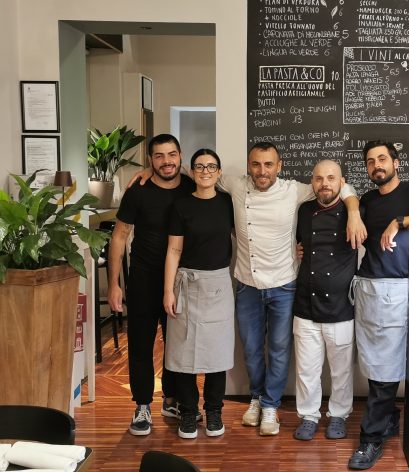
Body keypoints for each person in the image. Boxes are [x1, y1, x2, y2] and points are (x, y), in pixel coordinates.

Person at [131, 141, 365, 436]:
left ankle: (271, 405)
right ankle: (255, 398)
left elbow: (337, 185)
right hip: (247, 284)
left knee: (279, 350)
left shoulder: (295, 190)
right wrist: (149, 170)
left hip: (284, 285)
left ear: (279, 167)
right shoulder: (235, 185)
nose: (262, 171)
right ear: (248, 167)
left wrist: (353, 211)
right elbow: (197, 172)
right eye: (256, 164)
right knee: (252, 350)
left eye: (268, 164)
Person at [348, 140, 409, 470]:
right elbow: (347, 211)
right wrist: (352, 210)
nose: (376, 165)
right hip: (370, 289)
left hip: (399, 290)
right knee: (377, 363)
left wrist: (400, 221)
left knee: (386, 367)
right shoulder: (366, 200)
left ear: (396, 162)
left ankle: (371, 438)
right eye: (370, 161)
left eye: (382, 159)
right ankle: (389, 418)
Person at [108, 134, 195, 436]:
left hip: (180, 280)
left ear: (180, 156)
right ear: (150, 160)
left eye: (171, 154)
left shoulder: (191, 186)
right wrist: (114, 284)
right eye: (159, 156)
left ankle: (171, 400)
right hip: (143, 278)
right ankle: (143, 405)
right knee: (141, 345)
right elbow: (119, 236)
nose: (166, 161)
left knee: (177, 345)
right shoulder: (138, 191)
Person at [163, 148, 236, 439]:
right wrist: (168, 291)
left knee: (217, 354)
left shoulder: (228, 203)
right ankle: (189, 411)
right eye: (200, 166)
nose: (205, 171)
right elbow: (174, 250)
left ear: (219, 172)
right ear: (192, 172)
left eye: (211, 166)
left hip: (219, 285)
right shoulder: (181, 206)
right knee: (183, 354)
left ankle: (214, 410)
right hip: (187, 284)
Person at [291, 160, 357, 441]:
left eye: (331, 178)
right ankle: (308, 415)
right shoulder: (304, 210)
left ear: (342, 182)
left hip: (341, 306)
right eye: (319, 179)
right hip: (305, 303)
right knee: (306, 369)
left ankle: (339, 415)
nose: (324, 184)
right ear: (312, 182)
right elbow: (299, 243)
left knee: (341, 370)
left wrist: (354, 212)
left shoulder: (354, 211)